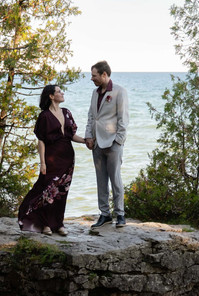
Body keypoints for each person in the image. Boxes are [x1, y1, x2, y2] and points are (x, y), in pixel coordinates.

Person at [17, 84, 85, 236]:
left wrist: (85, 141)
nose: (62, 93)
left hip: (67, 158)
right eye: (59, 91)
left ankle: (59, 225)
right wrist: (42, 162)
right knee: (46, 191)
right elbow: (41, 141)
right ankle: (45, 224)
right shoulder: (44, 116)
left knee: (62, 192)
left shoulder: (67, 113)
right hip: (51, 158)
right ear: (51, 96)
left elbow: (71, 135)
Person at [84, 60, 128, 228]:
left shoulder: (119, 91)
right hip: (96, 143)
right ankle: (104, 214)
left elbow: (123, 119)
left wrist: (118, 141)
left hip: (113, 143)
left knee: (115, 179)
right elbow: (91, 116)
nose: (91, 79)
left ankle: (120, 214)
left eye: (94, 75)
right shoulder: (95, 93)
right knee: (100, 180)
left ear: (104, 74)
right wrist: (89, 136)